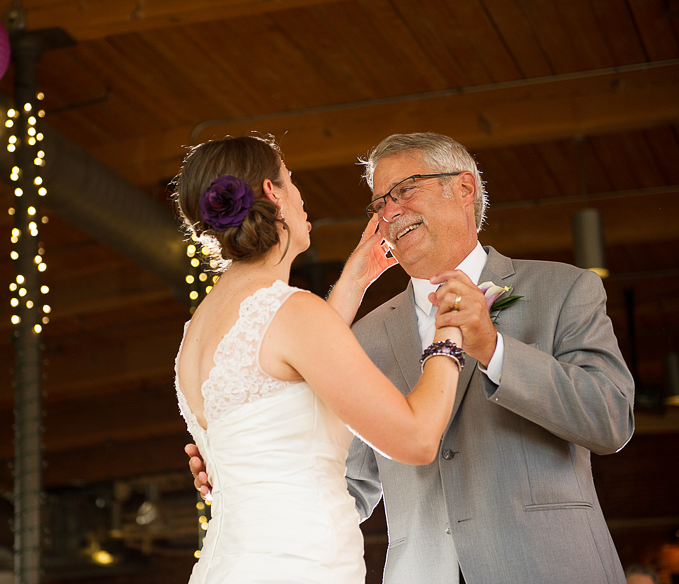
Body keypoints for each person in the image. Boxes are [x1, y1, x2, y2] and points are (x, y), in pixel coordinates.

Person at [190, 132, 635, 584]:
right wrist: (251, 471)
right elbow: (349, 483)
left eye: (404, 189)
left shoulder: (563, 289)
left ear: (464, 189)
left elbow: (611, 419)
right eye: (379, 201)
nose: (389, 210)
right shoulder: (363, 336)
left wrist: (493, 349)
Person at [172, 134, 467, 583]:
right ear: (273, 193)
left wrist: (356, 276)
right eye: (291, 181)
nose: (300, 195)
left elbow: (290, 371)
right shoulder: (291, 312)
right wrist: (449, 331)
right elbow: (418, 439)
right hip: (299, 566)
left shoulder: (198, 329)